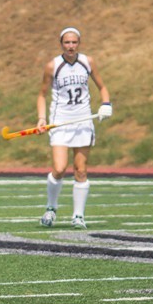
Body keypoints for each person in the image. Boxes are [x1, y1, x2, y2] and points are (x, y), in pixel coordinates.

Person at [35, 27, 111, 229]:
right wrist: (42, 118)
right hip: (60, 122)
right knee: (59, 169)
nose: (70, 46)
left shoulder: (88, 62)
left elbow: (102, 87)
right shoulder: (53, 66)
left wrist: (106, 105)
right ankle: (51, 208)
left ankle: (78, 216)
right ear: (61, 43)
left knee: (81, 170)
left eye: (74, 42)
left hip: (83, 122)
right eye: (67, 42)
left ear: (79, 43)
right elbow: (42, 95)